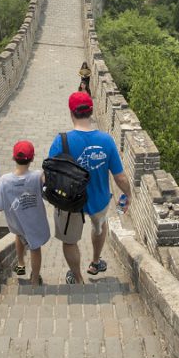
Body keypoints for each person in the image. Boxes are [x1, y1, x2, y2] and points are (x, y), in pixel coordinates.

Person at [48, 91, 131, 284]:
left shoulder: (61, 140)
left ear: (71, 112)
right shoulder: (106, 140)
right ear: (91, 111)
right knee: (99, 227)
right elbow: (119, 177)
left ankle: (77, 278)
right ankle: (95, 262)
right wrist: (127, 195)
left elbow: (48, 174)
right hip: (99, 200)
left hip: (70, 203)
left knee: (70, 241)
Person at [0, 140, 50, 285]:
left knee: (19, 235)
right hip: (34, 223)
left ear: (13, 158)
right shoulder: (37, 176)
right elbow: (46, 193)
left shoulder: (4, 180)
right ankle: (35, 280)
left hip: (17, 224)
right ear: (32, 158)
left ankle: (21, 263)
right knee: (35, 249)